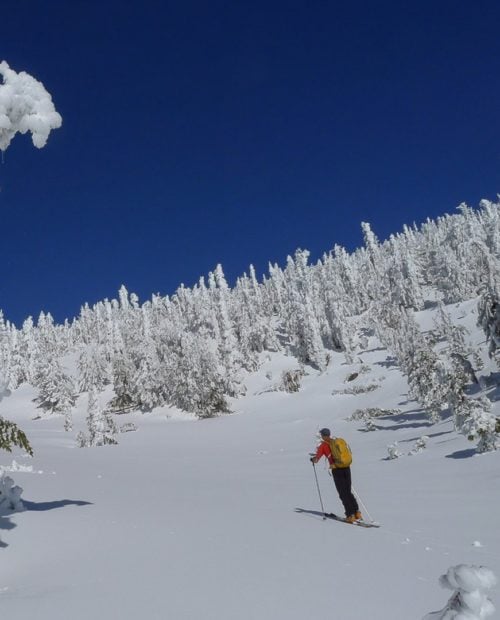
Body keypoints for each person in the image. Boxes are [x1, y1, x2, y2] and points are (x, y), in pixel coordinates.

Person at [310, 427, 361, 523]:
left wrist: (313, 460)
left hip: (337, 469)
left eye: (321, 435)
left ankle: (350, 515)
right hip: (346, 467)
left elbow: (316, 459)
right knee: (348, 491)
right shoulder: (337, 442)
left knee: (342, 493)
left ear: (323, 436)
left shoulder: (323, 445)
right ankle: (357, 512)